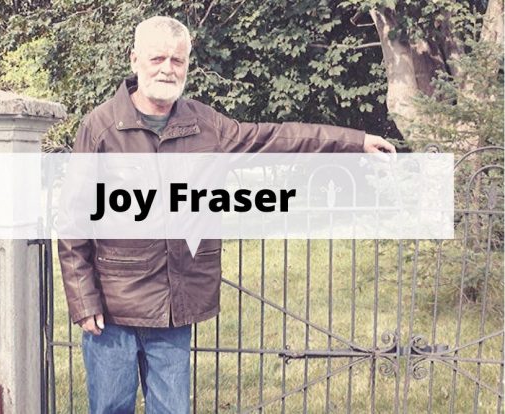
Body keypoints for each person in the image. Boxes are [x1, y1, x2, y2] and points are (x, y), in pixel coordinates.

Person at [58, 15, 396, 414]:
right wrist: (84, 300)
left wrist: (355, 142)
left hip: (173, 307)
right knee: (111, 408)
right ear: (135, 60)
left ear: (187, 65)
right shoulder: (100, 127)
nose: (168, 69)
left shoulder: (205, 125)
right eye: (158, 59)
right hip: (113, 309)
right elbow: (73, 218)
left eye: (177, 60)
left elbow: (275, 138)